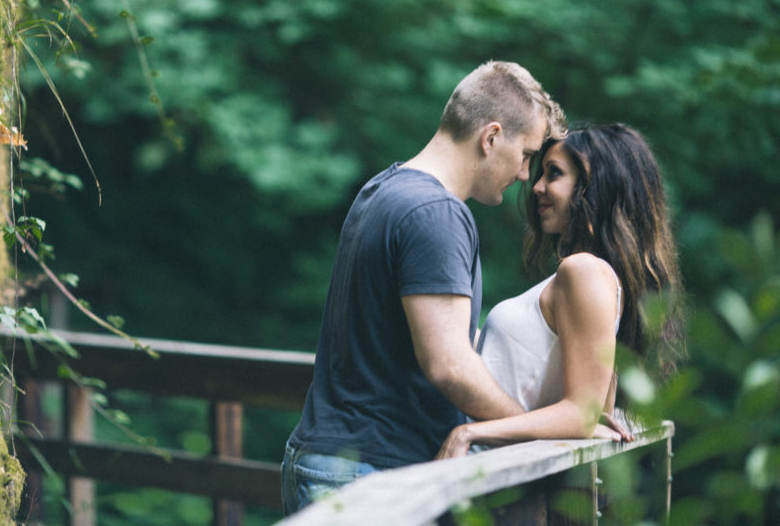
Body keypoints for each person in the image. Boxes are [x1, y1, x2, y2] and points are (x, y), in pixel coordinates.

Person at [281, 61, 567, 514]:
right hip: (365, 474)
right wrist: (531, 427)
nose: (523, 174)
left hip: (338, 465)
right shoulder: (437, 213)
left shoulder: (383, 189)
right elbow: (449, 366)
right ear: (491, 137)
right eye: (527, 155)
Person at [436, 124, 683, 458]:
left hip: (490, 474)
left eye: (554, 174)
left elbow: (581, 414)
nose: (536, 186)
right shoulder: (591, 276)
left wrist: (469, 432)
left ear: (595, 187)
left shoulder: (583, 271)